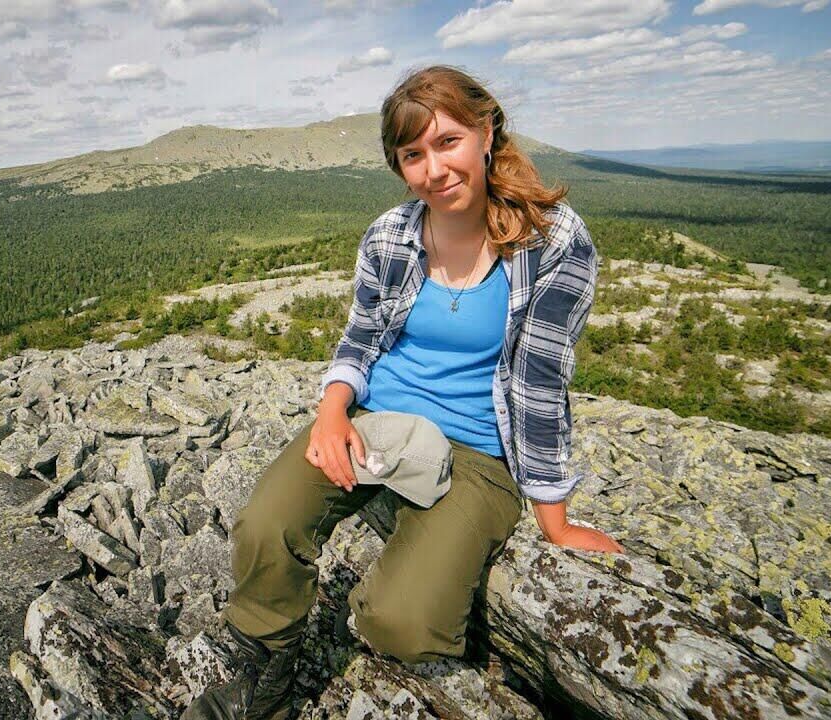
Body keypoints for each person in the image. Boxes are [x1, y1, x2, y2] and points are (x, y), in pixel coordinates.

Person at [184, 65, 624, 720]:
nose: (433, 170)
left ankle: (400, 583)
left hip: (477, 450)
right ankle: (268, 673)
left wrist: (554, 521)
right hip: (375, 417)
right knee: (265, 524)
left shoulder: (553, 242)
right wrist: (332, 412)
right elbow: (360, 338)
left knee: (403, 623)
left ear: (486, 131)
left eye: (447, 142)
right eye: (413, 155)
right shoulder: (391, 235)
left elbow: (540, 381)